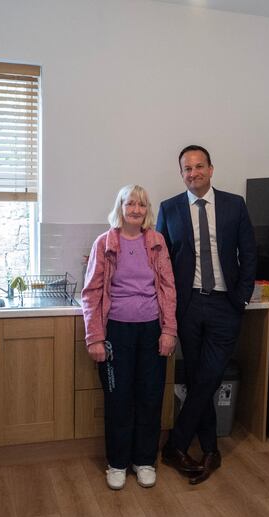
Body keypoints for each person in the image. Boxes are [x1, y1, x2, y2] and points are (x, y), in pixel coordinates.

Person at [156, 145, 256, 484]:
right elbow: (162, 263)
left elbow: (249, 253)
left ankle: (176, 445)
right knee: (202, 378)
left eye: (200, 166)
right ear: (181, 174)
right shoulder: (169, 209)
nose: (194, 173)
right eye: (187, 168)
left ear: (211, 169)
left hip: (225, 305)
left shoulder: (234, 205)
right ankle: (211, 450)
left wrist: (240, 298)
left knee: (209, 376)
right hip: (188, 306)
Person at [81, 184, 178, 490]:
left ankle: (145, 460)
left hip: (151, 330)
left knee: (150, 397)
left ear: (147, 210)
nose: (136, 210)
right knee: (118, 398)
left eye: (142, 205)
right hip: (116, 333)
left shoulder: (157, 242)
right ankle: (118, 463)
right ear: (120, 207)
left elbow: (167, 289)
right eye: (130, 204)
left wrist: (169, 331)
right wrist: (94, 337)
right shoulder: (105, 243)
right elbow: (91, 293)